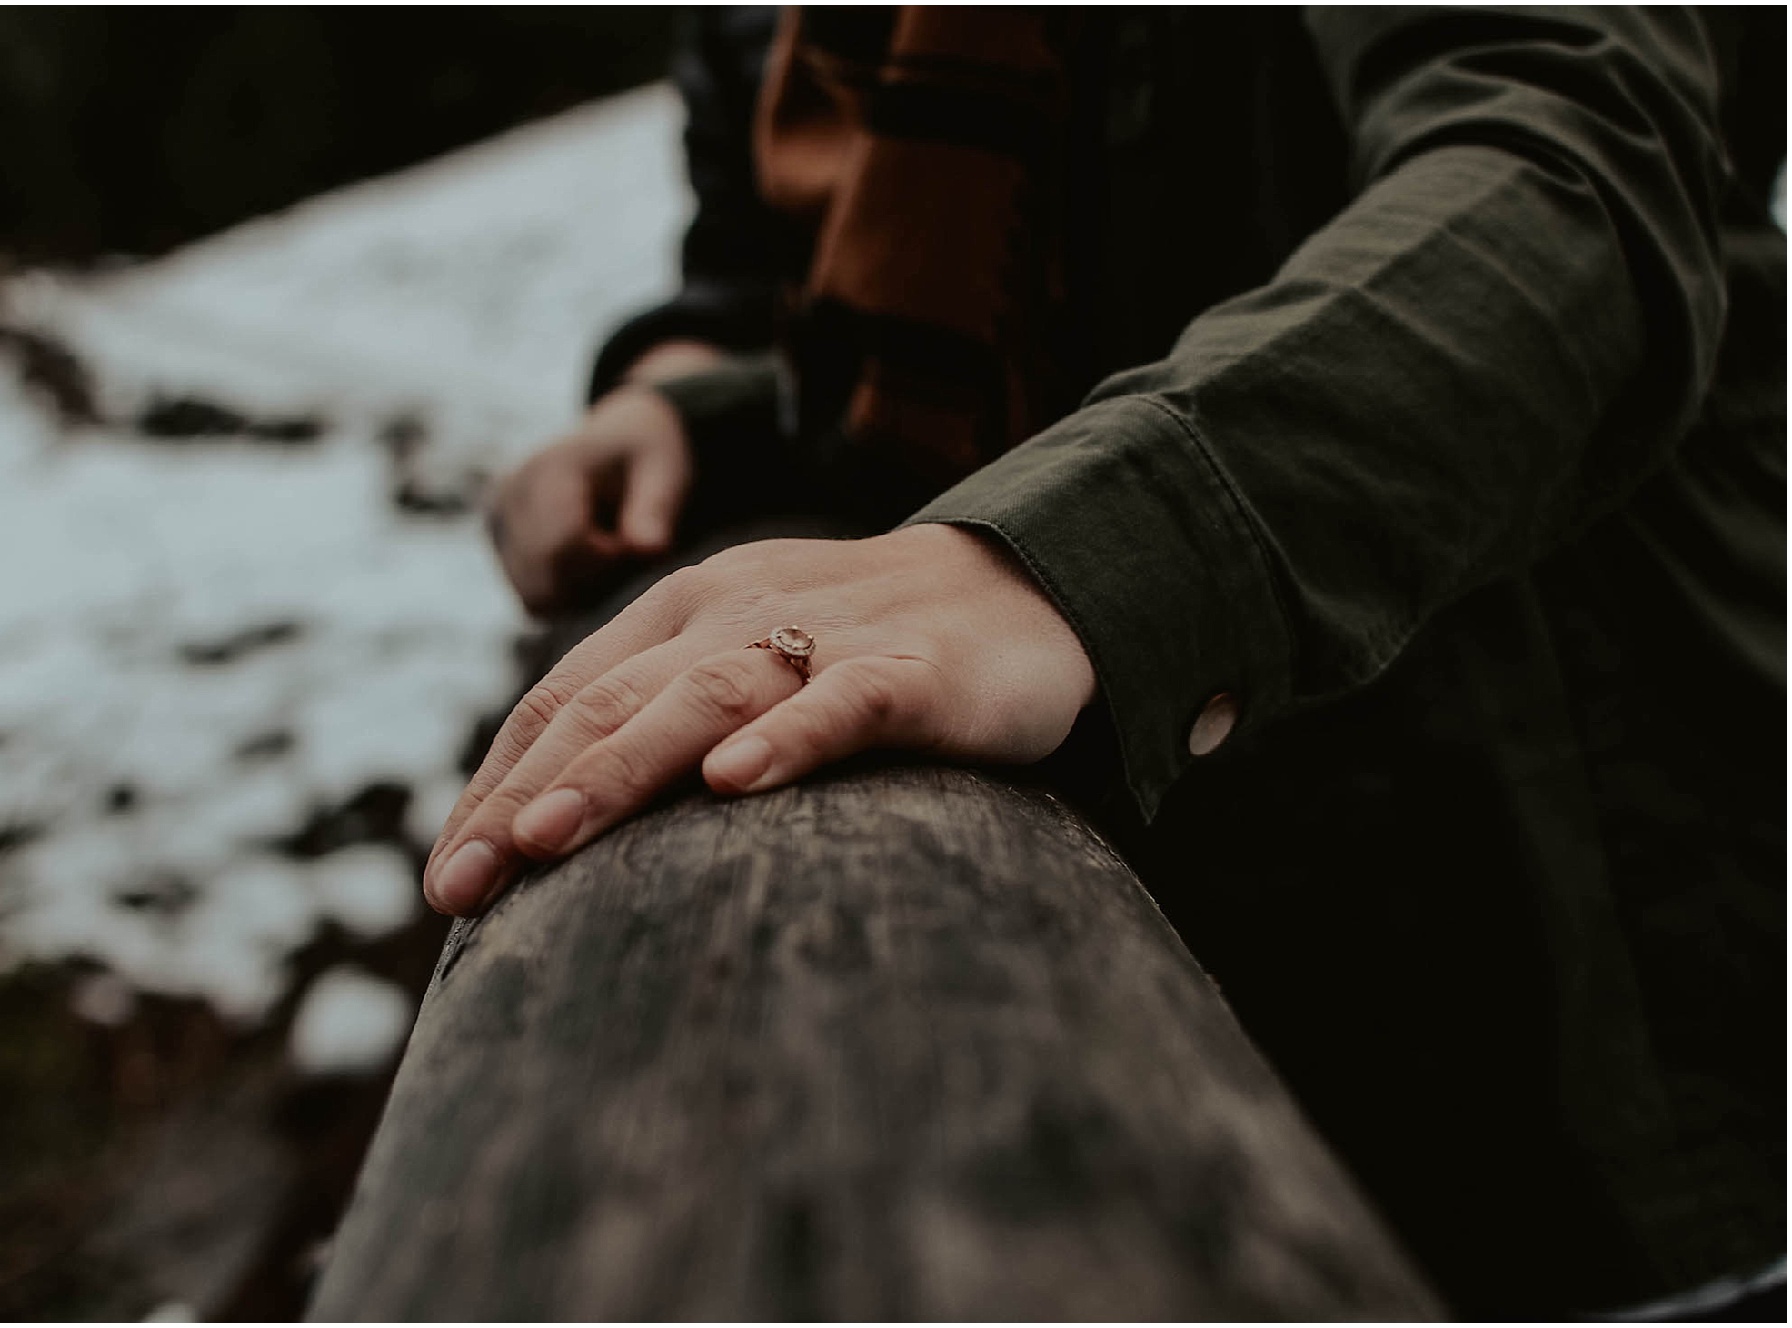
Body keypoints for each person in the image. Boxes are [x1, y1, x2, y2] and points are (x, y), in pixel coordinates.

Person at [428, 8, 1784, 1319]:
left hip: (1593, 943)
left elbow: (1568, 173)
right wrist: (677, 402)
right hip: (1201, 914)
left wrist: (1067, 557)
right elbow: (793, 258)